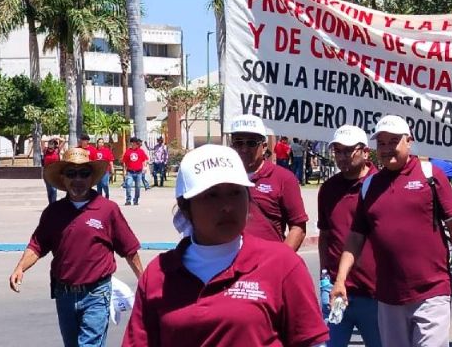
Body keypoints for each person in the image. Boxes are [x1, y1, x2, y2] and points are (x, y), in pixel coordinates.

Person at [122, 145, 329, 346]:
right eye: (212, 195)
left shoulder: (282, 264)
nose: (227, 206)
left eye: (236, 193)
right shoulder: (158, 274)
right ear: (185, 207)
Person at [331, 115, 452, 347]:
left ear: (409, 141)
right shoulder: (370, 185)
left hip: (431, 292)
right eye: (382, 143)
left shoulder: (430, 175)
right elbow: (356, 237)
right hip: (388, 297)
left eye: (393, 142)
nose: (387, 149)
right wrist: (340, 280)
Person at [9, 147, 143, 347]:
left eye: (84, 173)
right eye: (71, 174)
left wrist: (144, 280)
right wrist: (20, 268)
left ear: (91, 178)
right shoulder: (53, 212)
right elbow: (37, 245)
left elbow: (129, 249)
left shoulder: (107, 209)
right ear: (63, 179)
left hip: (97, 293)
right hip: (64, 295)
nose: (77, 179)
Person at [318, 126, 381, 347]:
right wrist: (325, 277)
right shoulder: (328, 189)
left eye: (348, 151)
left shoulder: (381, 184)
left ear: (365, 152)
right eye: (338, 151)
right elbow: (325, 236)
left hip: (375, 292)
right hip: (338, 290)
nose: (342, 157)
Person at [229, 115, 309, 250]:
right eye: (238, 142)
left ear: (264, 146)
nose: (244, 148)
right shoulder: (223, 178)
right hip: (230, 265)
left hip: (268, 264)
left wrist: (280, 262)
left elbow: (298, 227)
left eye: (251, 143)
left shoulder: (283, 178)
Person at [122, 137, 149, 206]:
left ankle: (136, 200)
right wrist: (124, 171)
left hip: (138, 172)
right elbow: (124, 161)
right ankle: (128, 200)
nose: (134, 144)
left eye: (135, 143)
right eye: (132, 143)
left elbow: (145, 159)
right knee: (128, 185)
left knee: (138, 187)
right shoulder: (128, 152)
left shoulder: (140, 151)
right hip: (130, 172)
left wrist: (145, 167)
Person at [42, 137, 64, 204]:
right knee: (49, 190)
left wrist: (56, 138)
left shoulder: (57, 150)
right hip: (46, 173)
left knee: (54, 189)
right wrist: (50, 138)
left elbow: (63, 140)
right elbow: (42, 140)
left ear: (54, 146)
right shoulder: (45, 151)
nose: (50, 149)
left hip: (55, 173)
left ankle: (53, 204)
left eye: (51, 148)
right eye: (49, 147)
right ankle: (50, 204)